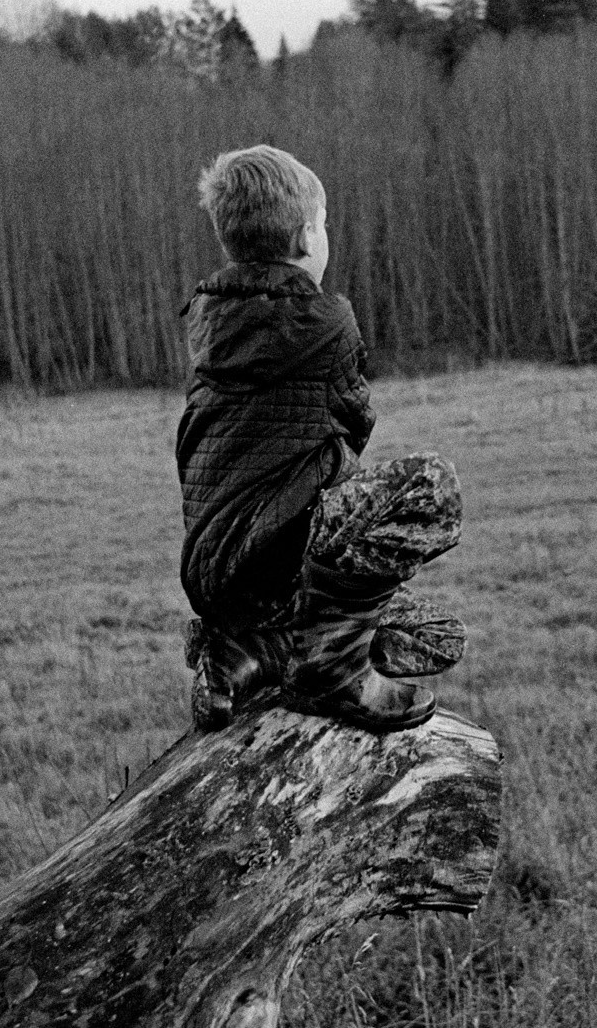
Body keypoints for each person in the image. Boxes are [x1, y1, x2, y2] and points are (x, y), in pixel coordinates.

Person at [177, 144, 464, 733]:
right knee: (429, 488)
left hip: (218, 577)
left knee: (433, 636)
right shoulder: (323, 320)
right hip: (270, 561)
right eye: (326, 223)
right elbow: (354, 427)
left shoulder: (209, 322)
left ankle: (247, 654)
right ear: (308, 237)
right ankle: (328, 674)